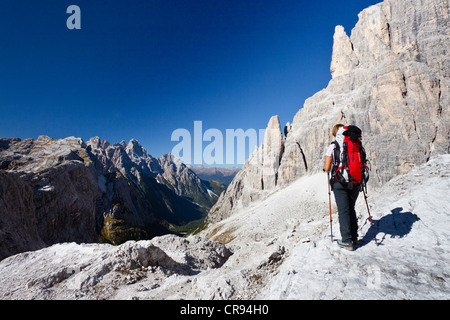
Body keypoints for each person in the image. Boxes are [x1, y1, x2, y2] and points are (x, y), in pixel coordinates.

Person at [324, 124, 359, 251]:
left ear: (335, 134)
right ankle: (354, 237)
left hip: (340, 181)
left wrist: (327, 169)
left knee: (343, 210)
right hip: (356, 180)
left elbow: (327, 167)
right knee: (351, 208)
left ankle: (347, 241)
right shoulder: (355, 143)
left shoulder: (333, 146)